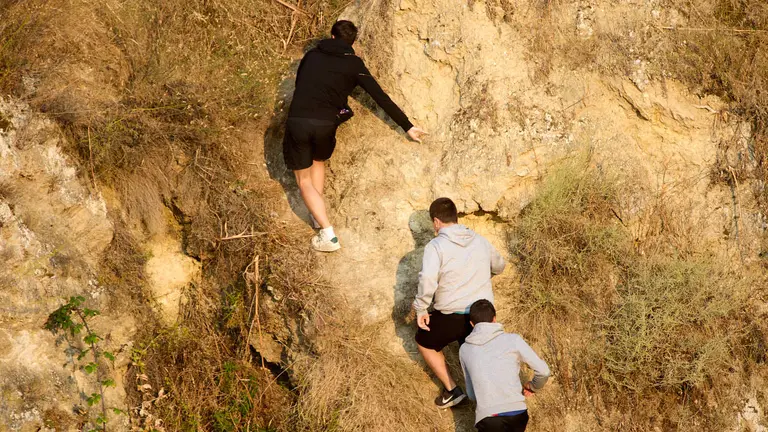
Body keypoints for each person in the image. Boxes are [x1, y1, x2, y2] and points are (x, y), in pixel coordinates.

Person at [283, 20, 426, 252]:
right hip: (326, 125)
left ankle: (328, 234)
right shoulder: (354, 64)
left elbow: (300, 85)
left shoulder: (311, 57)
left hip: (300, 121)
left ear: (331, 37)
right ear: (352, 43)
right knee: (319, 162)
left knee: (303, 180)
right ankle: (317, 217)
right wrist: (407, 126)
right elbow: (380, 96)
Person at [413, 197, 506, 408]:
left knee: (423, 340)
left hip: (451, 315)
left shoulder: (435, 246)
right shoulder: (479, 240)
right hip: (481, 316)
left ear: (436, 222)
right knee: (481, 364)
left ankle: (453, 390)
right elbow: (499, 266)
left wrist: (420, 308)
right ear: (455, 217)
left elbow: (427, 280)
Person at [460, 300, 550, 432]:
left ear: (472, 324)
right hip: (517, 413)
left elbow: (472, 394)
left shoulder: (464, 349)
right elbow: (544, 371)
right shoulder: (513, 340)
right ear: (494, 319)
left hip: (488, 417)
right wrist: (532, 386)